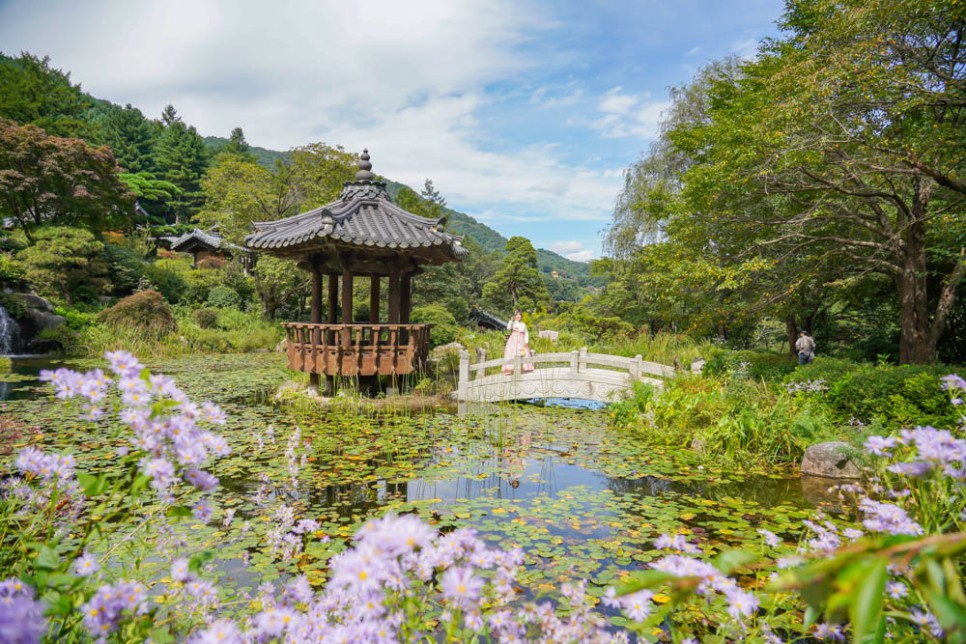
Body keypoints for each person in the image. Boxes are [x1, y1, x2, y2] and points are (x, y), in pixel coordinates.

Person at [502, 310, 534, 374]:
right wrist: (511, 320)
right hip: (513, 340)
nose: (519, 316)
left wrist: (526, 341)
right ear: (515, 316)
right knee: (512, 352)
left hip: (521, 340)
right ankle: (511, 368)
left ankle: (524, 368)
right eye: (517, 315)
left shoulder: (523, 324)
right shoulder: (513, 323)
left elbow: (526, 333)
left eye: (520, 315)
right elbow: (508, 327)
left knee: (523, 352)